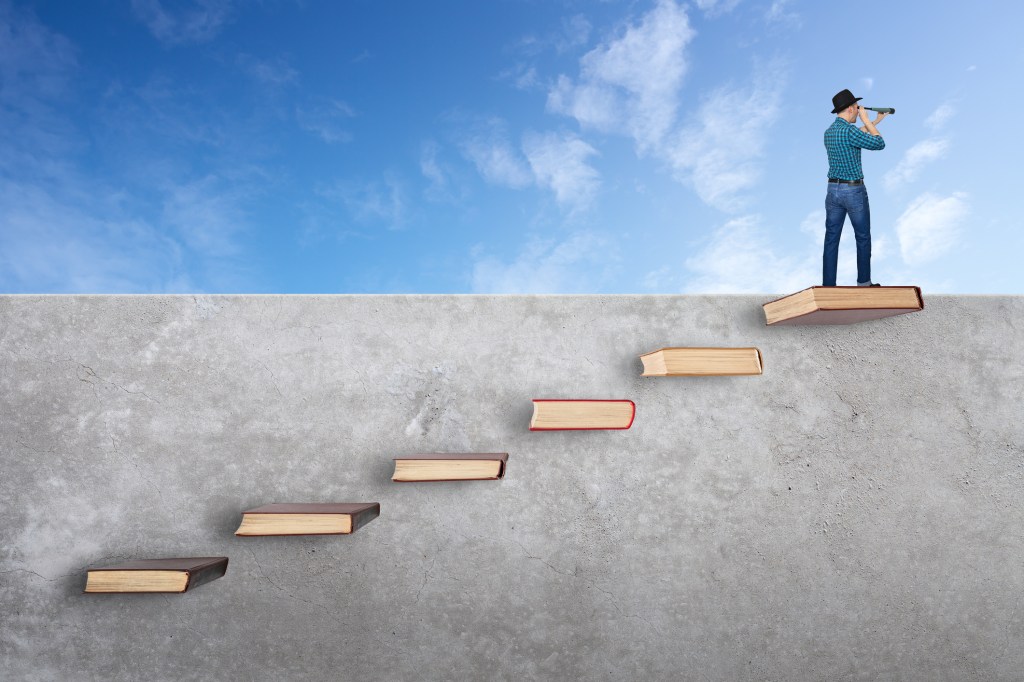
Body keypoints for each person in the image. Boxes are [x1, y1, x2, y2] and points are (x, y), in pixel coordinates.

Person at [822, 88, 889, 287]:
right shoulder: (850, 130)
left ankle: (828, 287)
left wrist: (875, 122)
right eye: (856, 109)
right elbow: (879, 143)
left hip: (832, 192)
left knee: (831, 239)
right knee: (862, 237)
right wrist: (867, 120)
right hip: (853, 192)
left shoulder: (830, 132)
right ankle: (864, 284)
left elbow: (854, 137)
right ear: (851, 109)